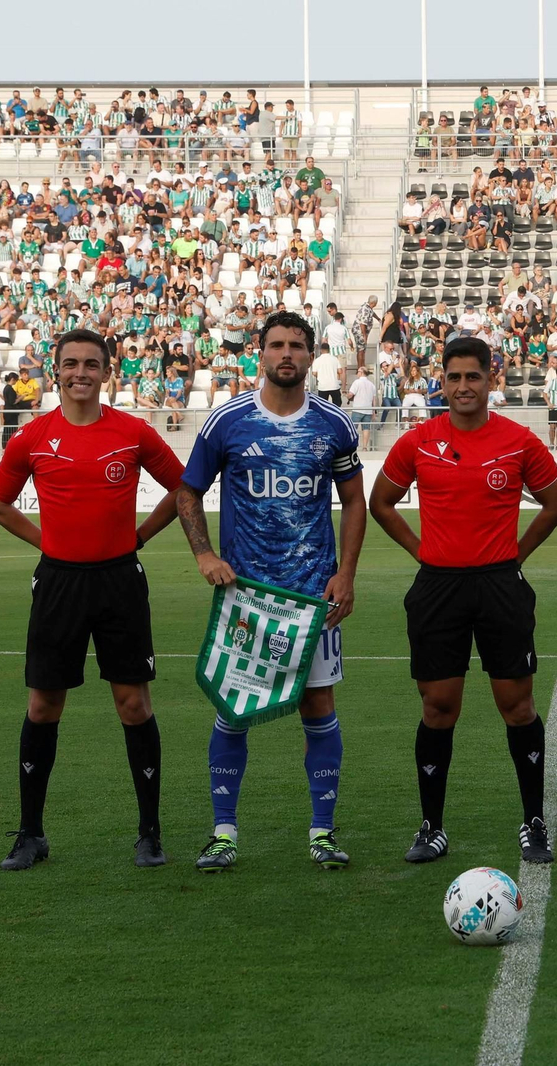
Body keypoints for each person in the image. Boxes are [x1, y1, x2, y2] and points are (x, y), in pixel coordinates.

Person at [0, 328, 185, 871]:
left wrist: (140, 536)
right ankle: (30, 834)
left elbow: (184, 487)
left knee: (134, 704)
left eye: (91, 364)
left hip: (120, 580)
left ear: (106, 371)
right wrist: (45, 542)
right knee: (43, 706)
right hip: (59, 584)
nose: (80, 373)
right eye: (70, 363)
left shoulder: (132, 432)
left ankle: (149, 833)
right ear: (57, 370)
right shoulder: (32, 437)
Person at [176, 311, 367, 872]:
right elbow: (188, 493)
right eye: (277, 345)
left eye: (297, 346)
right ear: (260, 353)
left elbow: (354, 501)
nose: (287, 354)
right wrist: (204, 555)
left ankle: (323, 833)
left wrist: (347, 573)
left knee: (319, 704)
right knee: (233, 708)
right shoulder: (226, 422)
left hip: (313, 601)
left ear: (312, 356)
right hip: (247, 599)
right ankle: (223, 832)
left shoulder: (335, 425)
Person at [369, 337, 557, 865]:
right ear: (442, 380)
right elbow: (381, 503)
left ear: (490, 379)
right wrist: (424, 552)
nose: (463, 387)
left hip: (500, 586)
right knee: (439, 707)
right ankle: (431, 827)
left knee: (517, 704)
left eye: (473, 377)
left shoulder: (520, 441)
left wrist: (514, 555)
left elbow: (555, 502)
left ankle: (533, 823)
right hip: (438, 588)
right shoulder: (418, 441)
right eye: (453, 377)